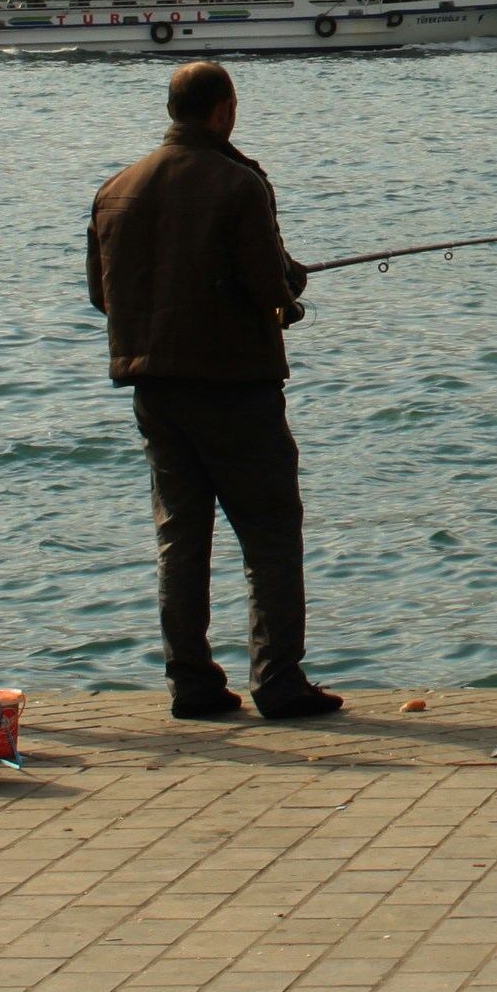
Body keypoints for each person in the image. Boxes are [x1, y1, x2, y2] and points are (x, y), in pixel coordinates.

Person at [88, 60, 339, 722]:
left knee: (180, 535)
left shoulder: (115, 189)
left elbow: (99, 294)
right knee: (270, 534)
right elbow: (267, 287)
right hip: (235, 386)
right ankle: (279, 680)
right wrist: (291, 294)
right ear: (223, 110)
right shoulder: (238, 183)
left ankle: (192, 683)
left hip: (152, 387)